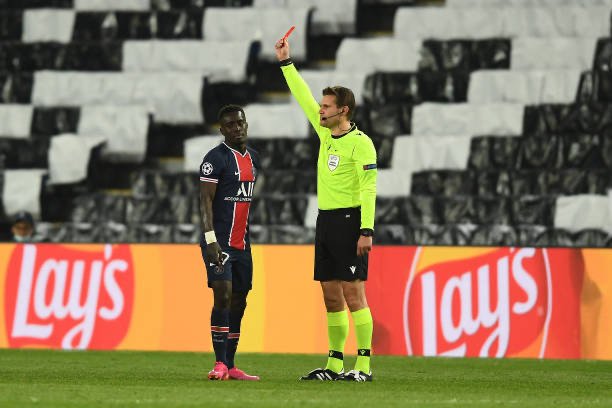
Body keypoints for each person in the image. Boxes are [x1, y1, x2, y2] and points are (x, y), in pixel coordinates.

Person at [275, 36, 377, 382]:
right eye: (321, 106)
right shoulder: (324, 136)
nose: (319, 110)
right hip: (326, 221)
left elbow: (369, 188)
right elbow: (303, 96)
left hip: (351, 222)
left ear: (343, 111)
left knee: (353, 292)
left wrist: (367, 230)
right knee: (331, 295)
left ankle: (362, 365)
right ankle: (335, 364)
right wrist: (286, 63)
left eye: (326, 107)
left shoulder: (361, 145)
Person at [199, 105, 261, 381]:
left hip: (243, 244)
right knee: (222, 295)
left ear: (246, 124)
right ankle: (219, 363)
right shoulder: (215, 159)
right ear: (222, 130)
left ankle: (231, 364)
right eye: (231, 125)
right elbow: (204, 202)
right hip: (219, 243)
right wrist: (210, 239)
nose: (237, 128)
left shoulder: (254, 158)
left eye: (240, 123)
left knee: (240, 300)